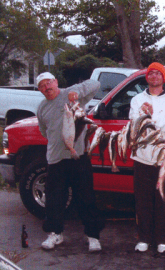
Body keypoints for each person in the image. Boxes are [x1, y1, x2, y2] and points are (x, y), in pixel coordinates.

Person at [36, 72, 105, 252]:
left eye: (49, 82)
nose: (47, 87)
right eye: (42, 86)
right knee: (54, 199)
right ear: (39, 90)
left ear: (56, 81)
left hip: (78, 157)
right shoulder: (42, 108)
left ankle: (93, 236)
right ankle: (54, 234)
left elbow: (95, 84)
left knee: (86, 198)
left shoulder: (72, 95)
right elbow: (45, 132)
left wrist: (76, 91)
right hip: (55, 159)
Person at [129, 62, 165, 253]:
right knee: (142, 200)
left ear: (164, 78)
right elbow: (134, 123)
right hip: (142, 157)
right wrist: (144, 116)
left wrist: (151, 116)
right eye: (151, 73)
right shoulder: (136, 100)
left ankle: (162, 240)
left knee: (163, 200)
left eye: (159, 74)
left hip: (164, 159)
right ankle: (144, 238)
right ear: (147, 77)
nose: (155, 76)